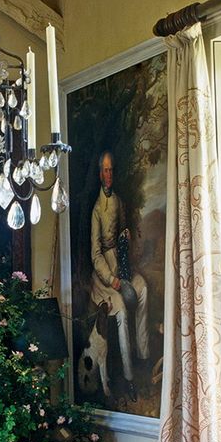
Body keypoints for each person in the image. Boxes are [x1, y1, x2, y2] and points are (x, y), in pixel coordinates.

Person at [89, 151, 149, 401]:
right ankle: (129, 378)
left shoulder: (119, 201)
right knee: (122, 310)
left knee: (142, 288)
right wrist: (111, 279)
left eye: (111, 169)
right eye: (105, 170)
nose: (109, 174)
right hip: (104, 276)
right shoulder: (96, 210)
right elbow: (95, 255)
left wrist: (126, 238)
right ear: (99, 174)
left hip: (122, 264)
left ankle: (143, 356)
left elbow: (123, 230)